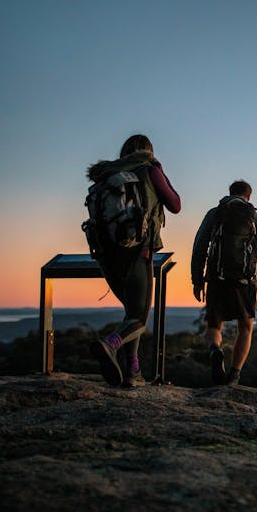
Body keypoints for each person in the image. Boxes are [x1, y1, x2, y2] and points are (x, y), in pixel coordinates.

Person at [87, 134, 181, 387]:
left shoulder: (106, 175)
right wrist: (158, 169)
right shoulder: (149, 170)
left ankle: (132, 372)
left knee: (131, 312)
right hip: (138, 252)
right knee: (139, 318)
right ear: (149, 152)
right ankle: (111, 344)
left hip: (106, 257)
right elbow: (175, 204)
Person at [191, 180, 257, 386]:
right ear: (249, 197)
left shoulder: (215, 213)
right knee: (245, 327)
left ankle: (216, 350)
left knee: (213, 324)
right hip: (244, 281)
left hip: (216, 278)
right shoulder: (256, 218)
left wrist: (197, 279)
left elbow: (199, 246)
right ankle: (234, 375)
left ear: (229, 193)